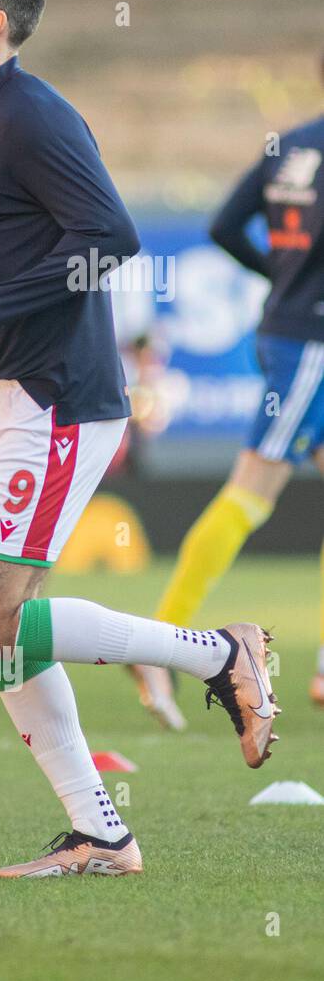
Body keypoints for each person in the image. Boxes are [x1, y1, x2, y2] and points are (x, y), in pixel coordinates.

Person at [0, 0, 278, 879]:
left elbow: (111, 240)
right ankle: (102, 832)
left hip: (55, 400)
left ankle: (217, 652)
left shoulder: (33, 114)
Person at [131, 53, 324, 718]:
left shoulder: (291, 144)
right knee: (252, 490)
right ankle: (160, 641)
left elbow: (222, 225)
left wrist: (280, 271)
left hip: (288, 328)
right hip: (312, 347)